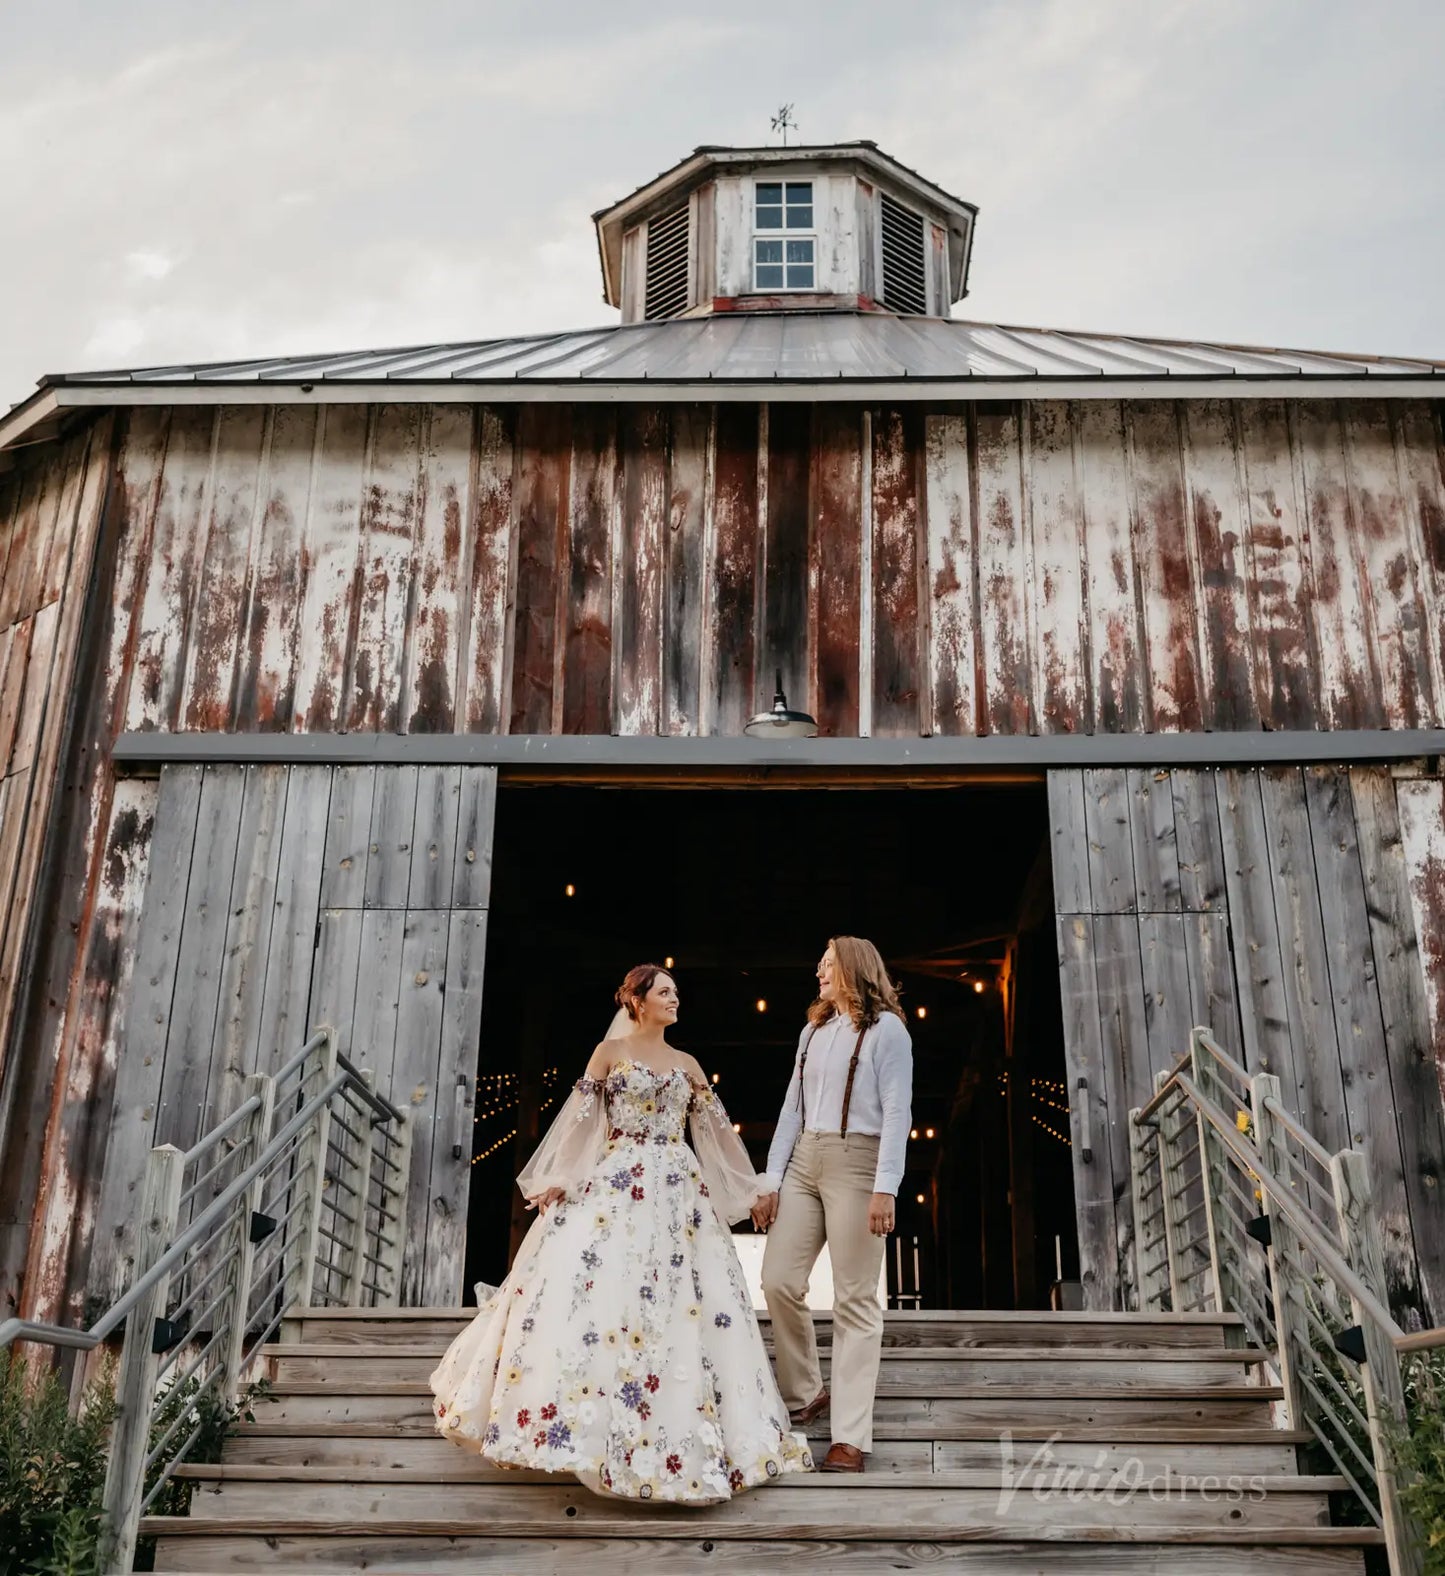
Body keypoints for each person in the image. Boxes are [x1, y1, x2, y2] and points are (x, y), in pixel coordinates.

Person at [430, 963, 813, 1504]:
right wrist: (560, 1176)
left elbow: (715, 1134)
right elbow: (583, 1122)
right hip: (618, 1179)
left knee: (684, 1304)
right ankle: (583, 1430)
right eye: (664, 992)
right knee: (598, 1296)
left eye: (676, 992)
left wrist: (753, 1189)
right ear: (637, 1001)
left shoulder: (688, 1064)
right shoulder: (608, 1055)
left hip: (678, 1191)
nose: (674, 999)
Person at [753, 936, 913, 1474]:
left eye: (826, 964)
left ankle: (849, 1436)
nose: (818, 972)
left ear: (852, 969)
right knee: (777, 1277)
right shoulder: (812, 1031)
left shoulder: (888, 1029)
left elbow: (897, 1111)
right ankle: (804, 1392)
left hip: (859, 1159)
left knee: (855, 1299)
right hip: (805, 1158)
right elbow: (790, 1109)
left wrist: (886, 1186)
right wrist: (771, 1180)